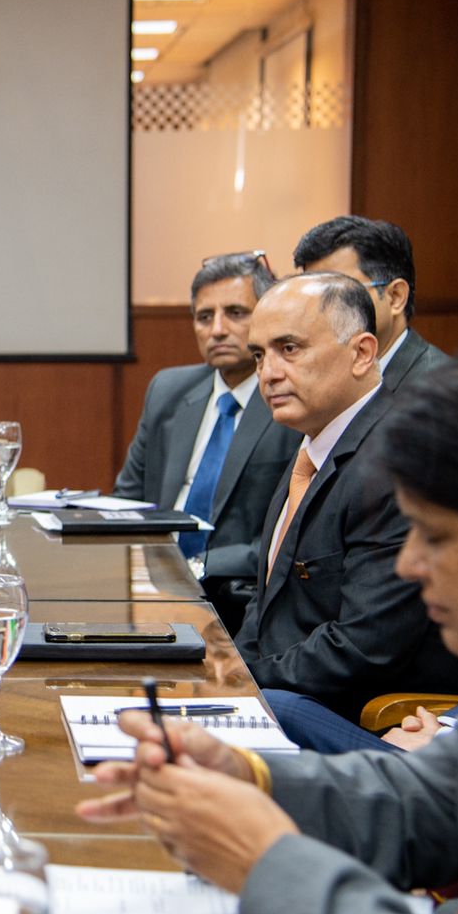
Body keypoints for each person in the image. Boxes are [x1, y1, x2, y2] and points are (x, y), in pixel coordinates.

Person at [78, 339, 458, 914]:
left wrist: (265, 862)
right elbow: (434, 801)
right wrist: (248, 776)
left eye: (436, 537)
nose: (409, 564)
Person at [234, 273, 458, 733]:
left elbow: (365, 647)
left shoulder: (398, 460)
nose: (268, 373)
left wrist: (240, 681)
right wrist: (223, 674)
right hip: (279, 692)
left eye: (289, 348)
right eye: (259, 355)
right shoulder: (313, 445)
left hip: (362, 720)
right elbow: (266, 609)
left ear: (362, 353)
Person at [113, 251, 299, 632]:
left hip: (237, 599)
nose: (217, 329)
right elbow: (127, 502)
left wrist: (195, 566)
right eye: (204, 317)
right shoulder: (168, 390)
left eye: (236, 313)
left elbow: (288, 539)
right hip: (150, 588)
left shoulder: (291, 404)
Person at [293, 215, 448, 392]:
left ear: (395, 297)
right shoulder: (311, 376)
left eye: (340, 293)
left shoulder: (441, 388)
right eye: (314, 296)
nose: (321, 310)